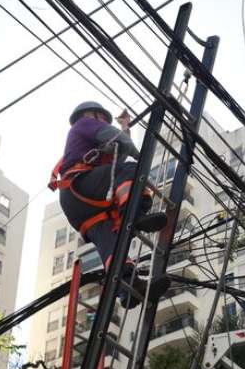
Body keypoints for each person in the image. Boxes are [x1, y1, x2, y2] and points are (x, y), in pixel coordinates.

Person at [49, 101, 169, 308]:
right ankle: (136, 213)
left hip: (82, 207)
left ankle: (128, 288)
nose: (103, 120)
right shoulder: (83, 125)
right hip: (79, 185)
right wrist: (143, 159)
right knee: (132, 171)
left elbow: (118, 149)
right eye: (101, 117)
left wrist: (125, 128)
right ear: (88, 115)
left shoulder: (90, 140)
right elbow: (118, 144)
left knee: (113, 244)